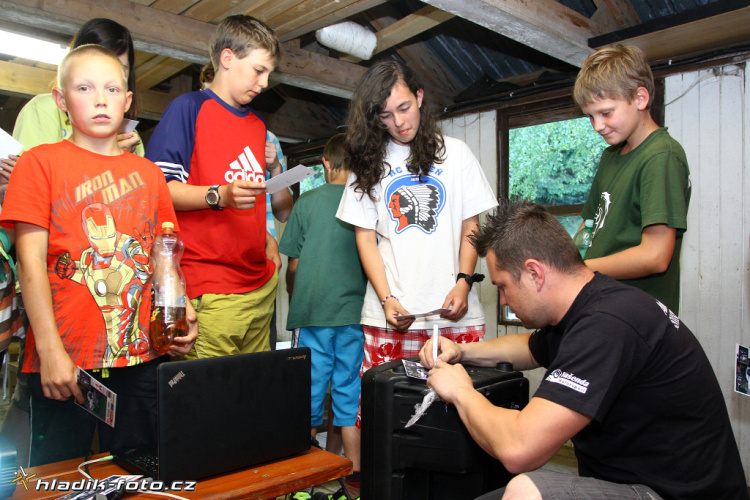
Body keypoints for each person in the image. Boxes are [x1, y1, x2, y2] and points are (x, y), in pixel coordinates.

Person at [419, 200, 747, 500]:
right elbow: (529, 348)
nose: (503, 300)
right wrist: (462, 351)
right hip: (633, 482)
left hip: (672, 495)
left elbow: (518, 449)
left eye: (502, 286)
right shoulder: (590, 304)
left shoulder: (607, 324)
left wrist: (460, 391)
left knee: (524, 492)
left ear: (534, 273)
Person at [0, 45, 198, 466]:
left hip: (142, 359)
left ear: (128, 101)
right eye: (84, 88)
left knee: (140, 471)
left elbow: (164, 258)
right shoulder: (38, 164)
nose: (101, 100)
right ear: (61, 100)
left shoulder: (149, 175)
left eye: (112, 89)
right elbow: (30, 263)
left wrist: (182, 308)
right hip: (64, 360)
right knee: (59, 475)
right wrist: (50, 351)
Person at [336, 60, 497, 424]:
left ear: (420, 96)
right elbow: (365, 238)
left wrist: (463, 282)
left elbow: (470, 224)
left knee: (461, 420)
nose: (398, 122)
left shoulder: (456, 153)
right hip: (391, 315)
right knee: (386, 420)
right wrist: (387, 298)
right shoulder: (368, 163)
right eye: (385, 115)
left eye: (404, 108)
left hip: (454, 315)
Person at [146, 15, 281, 358]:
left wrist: (265, 239)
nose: (264, 83)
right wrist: (220, 195)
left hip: (259, 285)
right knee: (210, 391)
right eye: (258, 70)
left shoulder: (258, 125)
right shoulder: (188, 108)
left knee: (254, 387)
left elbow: (251, 202)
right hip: (211, 287)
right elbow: (157, 192)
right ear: (227, 58)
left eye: (269, 73)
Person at [279, 133, 366, 499]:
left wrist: (293, 294)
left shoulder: (308, 203)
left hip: (313, 314)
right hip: (353, 315)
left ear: (326, 163)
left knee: (309, 393)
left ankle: (307, 478)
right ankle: (355, 477)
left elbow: (293, 265)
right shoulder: (364, 203)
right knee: (349, 393)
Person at [575, 45, 690, 314]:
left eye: (606, 113)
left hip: (637, 312)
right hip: (601, 303)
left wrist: (578, 270)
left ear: (640, 98)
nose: (597, 126)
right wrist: (561, 262)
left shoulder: (660, 155)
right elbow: (588, 227)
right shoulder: (610, 156)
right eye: (590, 116)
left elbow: (655, 256)